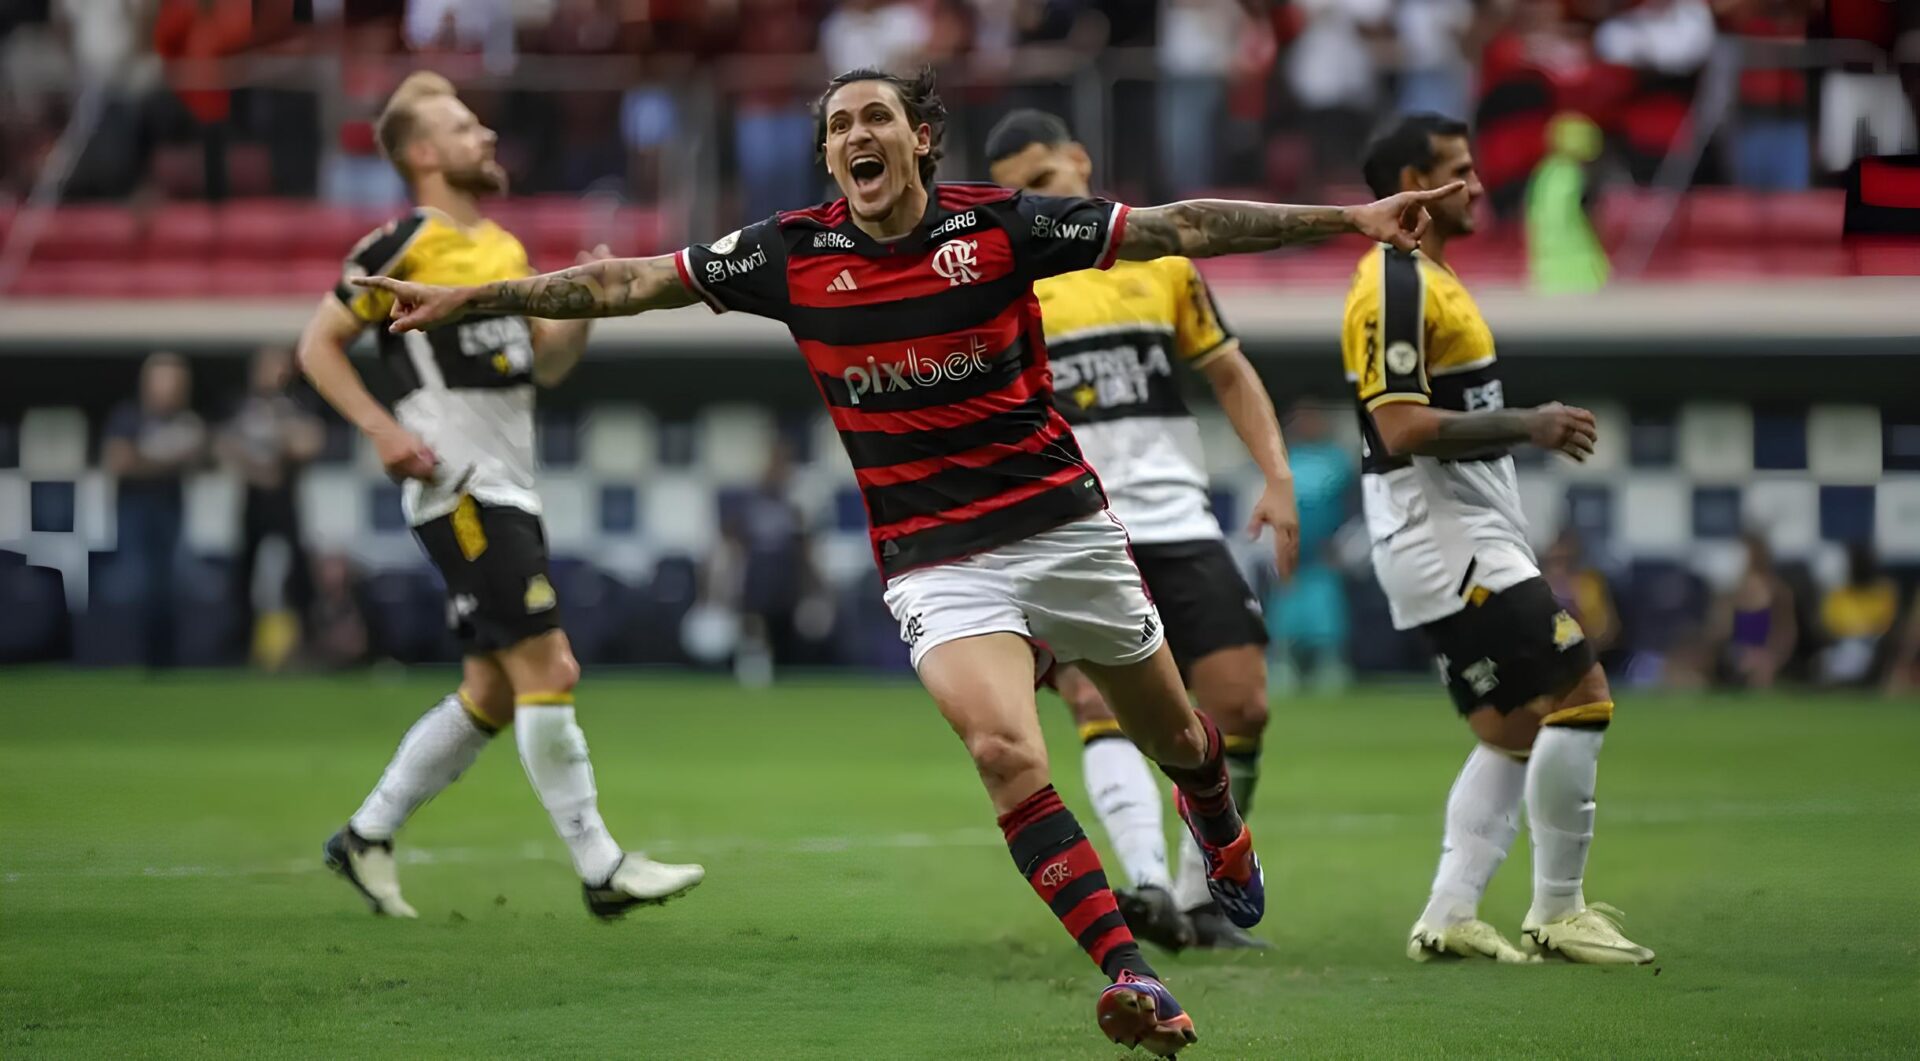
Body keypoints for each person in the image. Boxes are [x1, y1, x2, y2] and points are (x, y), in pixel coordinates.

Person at [351, 66, 1454, 1055]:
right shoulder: (793, 251)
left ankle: (1215, 814)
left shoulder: (1004, 226)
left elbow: (1182, 225)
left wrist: (1347, 216)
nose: (855, 136)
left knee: (1178, 735)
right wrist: (473, 297)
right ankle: (1131, 968)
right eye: (839, 125)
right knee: (1004, 751)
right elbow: (628, 284)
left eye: (877, 115)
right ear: (830, 155)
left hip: (1065, 526)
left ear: (922, 138)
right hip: (936, 559)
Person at [294, 72, 703, 922]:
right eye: (462, 125)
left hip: (511, 485)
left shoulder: (507, 254)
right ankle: (601, 865)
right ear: (423, 153)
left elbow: (545, 364)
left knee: (493, 689)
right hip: (461, 487)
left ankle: (366, 834)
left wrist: (583, 307)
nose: (485, 135)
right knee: (551, 666)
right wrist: (380, 428)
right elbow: (318, 346)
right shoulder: (402, 243)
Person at [1342, 114, 1654, 967]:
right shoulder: (1396, 282)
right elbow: (1400, 425)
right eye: (1460, 171)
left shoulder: (1431, 279)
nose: (1479, 186)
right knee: (1581, 689)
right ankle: (1559, 909)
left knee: (1512, 729)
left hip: (1457, 534)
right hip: (1446, 535)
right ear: (1417, 181)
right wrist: (1534, 423)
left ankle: (1448, 913)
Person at [985, 109, 1297, 954]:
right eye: (1023, 194)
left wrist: (1276, 476)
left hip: (1179, 517)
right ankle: (1149, 886)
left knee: (1241, 705)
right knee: (1098, 702)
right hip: (1074, 521)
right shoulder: (1010, 280)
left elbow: (1227, 370)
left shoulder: (1158, 261)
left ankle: (1201, 901)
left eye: (1048, 183)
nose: (1041, 204)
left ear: (1081, 163)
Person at [217, 345, 324, 661]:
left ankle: (305, 643)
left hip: (286, 496)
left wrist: (284, 448)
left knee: (298, 572)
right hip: (253, 497)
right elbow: (223, 447)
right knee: (244, 572)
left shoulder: (298, 403)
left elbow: (309, 444)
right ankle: (241, 645)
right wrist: (259, 468)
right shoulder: (240, 405)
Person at [103, 352, 207, 669]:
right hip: (135, 511)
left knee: (169, 585)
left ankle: (163, 661)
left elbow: (202, 455)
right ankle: (127, 658)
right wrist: (167, 460)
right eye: (165, 380)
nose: (171, 388)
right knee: (137, 583)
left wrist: (147, 460)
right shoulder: (128, 416)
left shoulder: (185, 420)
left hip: (170, 509)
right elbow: (118, 461)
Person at [1708, 532, 1797, 690]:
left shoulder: (1778, 592)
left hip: (1767, 654)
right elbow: (1720, 630)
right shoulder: (1731, 592)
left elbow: (1786, 631)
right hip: (1735, 652)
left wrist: (1773, 656)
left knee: (1760, 673)